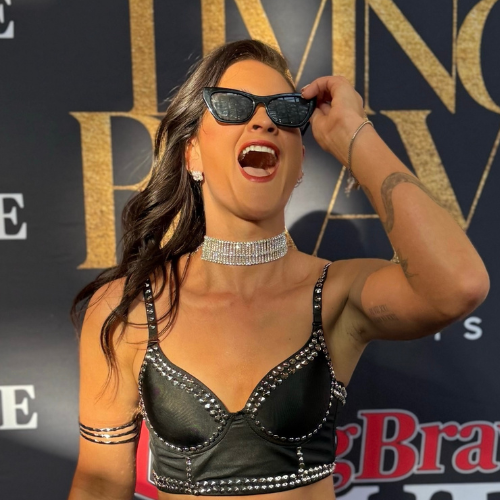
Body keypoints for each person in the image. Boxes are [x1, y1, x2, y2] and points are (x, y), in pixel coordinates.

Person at [68, 39, 489, 500]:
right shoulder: (127, 309)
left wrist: (353, 136)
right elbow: (98, 487)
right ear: (192, 154)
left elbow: (460, 285)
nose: (264, 121)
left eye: (285, 113)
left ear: (299, 164)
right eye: (233, 106)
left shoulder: (336, 295)